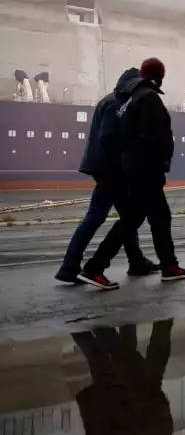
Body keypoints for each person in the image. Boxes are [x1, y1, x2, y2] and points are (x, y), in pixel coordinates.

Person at [79, 58, 185, 289]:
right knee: (146, 219)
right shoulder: (149, 98)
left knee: (145, 219)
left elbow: (120, 137)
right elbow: (153, 138)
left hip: (134, 169)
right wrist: (159, 164)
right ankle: (95, 267)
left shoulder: (129, 99)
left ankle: (168, 266)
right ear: (159, 76)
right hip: (146, 171)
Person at [55, 67, 158, 287]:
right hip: (112, 170)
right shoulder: (118, 104)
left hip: (107, 168)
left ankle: (136, 261)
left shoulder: (110, 100)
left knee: (126, 217)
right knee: (96, 217)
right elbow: (111, 139)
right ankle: (70, 267)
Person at [72, 320, 174, 435]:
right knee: (107, 354)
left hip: (130, 397)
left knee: (111, 355)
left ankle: (99, 322)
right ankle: (97, 322)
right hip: (134, 397)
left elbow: (162, 426)